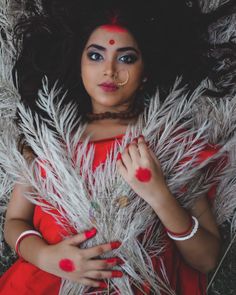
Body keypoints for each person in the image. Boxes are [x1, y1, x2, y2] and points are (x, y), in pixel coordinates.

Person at [0, 0, 235, 294]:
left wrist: (159, 194)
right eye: (96, 55)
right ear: (79, 63)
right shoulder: (48, 136)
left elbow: (206, 258)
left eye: (126, 58)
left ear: (146, 71)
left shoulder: (168, 142)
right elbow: (15, 220)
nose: (109, 70)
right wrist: (46, 256)